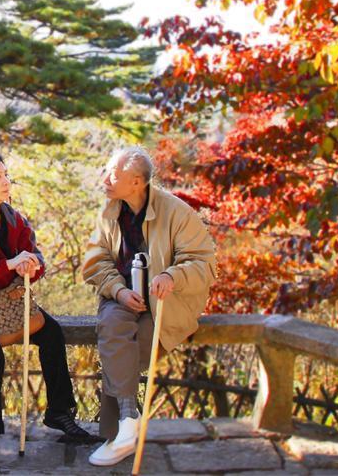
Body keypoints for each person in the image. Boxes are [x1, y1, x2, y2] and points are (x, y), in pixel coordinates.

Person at [0, 152, 95, 470]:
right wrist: (9, 264)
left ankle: (59, 413)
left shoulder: (15, 219)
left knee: (52, 333)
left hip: (6, 301)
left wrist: (30, 265)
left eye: (6, 174)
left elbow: (37, 259)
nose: (6, 180)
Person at [82, 146, 216, 467]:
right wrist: (118, 291)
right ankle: (129, 424)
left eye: (113, 174)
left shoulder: (177, 212)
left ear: (137, 182)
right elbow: (95, 260)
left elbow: (204, 264)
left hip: (165, 302)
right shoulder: (110, 211)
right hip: (123, 297)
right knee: (112, 329)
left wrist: (172, 275)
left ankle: (119, 434)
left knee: (121, 354)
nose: (105, 179)